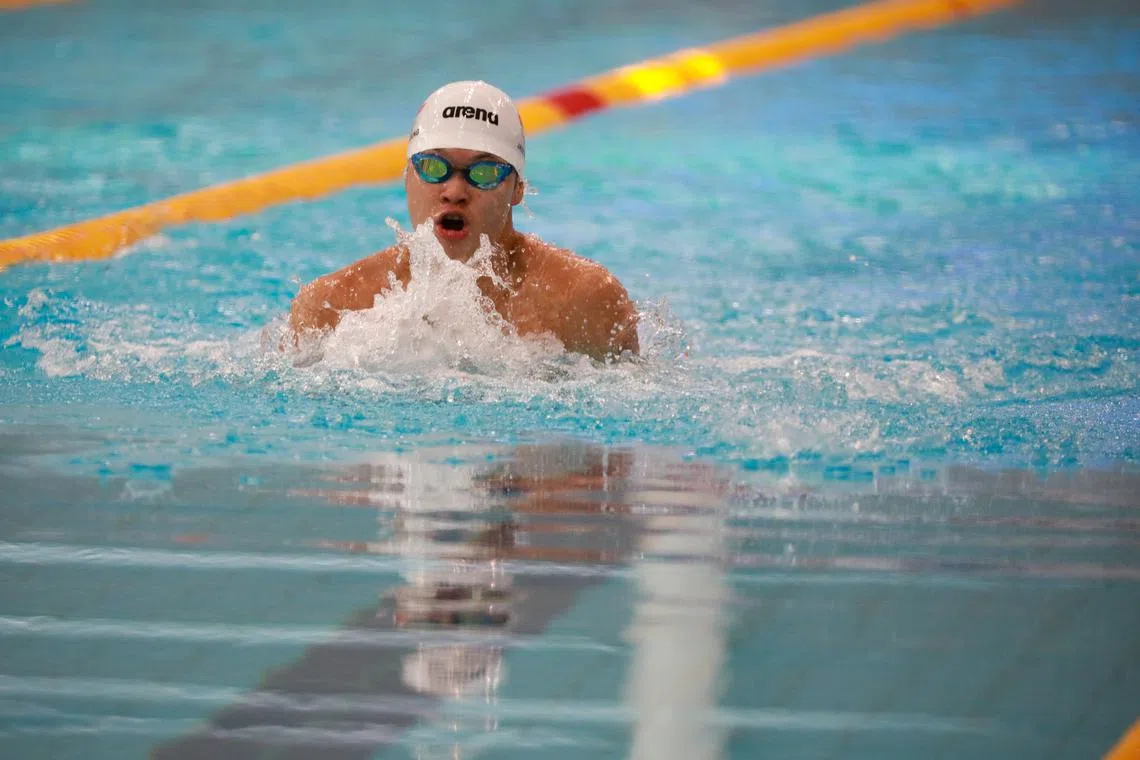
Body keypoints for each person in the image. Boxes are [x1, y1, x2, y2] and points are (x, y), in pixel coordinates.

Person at [288, 80, 639, 361]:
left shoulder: (582, 300)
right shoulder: (332, 306)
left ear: (517, 189)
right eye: (433, 167)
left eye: (484, 172)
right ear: (407, 176)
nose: (454, 191)